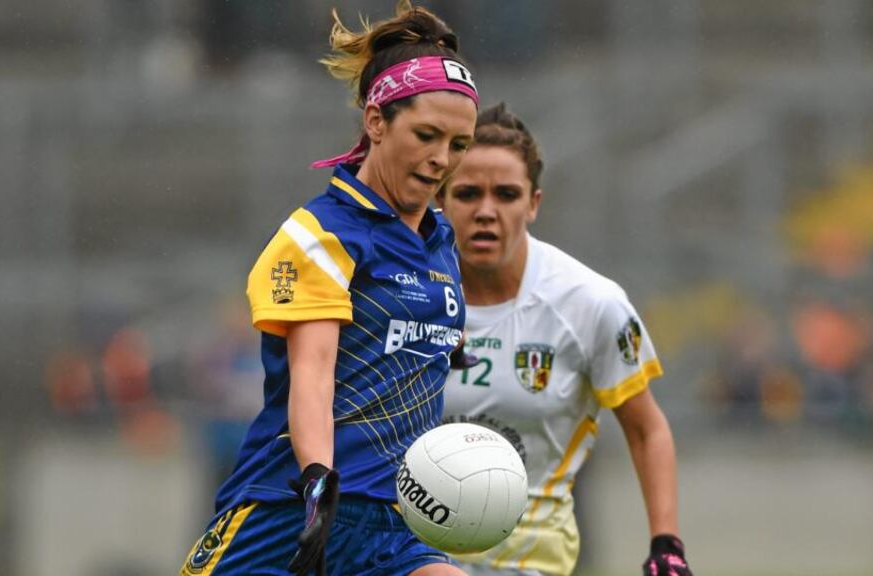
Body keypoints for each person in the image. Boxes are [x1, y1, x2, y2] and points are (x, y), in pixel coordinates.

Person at [180, 2, 478, 575]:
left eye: (458, 144)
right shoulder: (320, 236)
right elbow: (313, 372)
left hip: (394, 527)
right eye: (426, 135)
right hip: (289, 513)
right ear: (376, 122)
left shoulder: (441, 243)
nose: (442, 159)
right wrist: (319, 478)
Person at [436, 104, 693, 576]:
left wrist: (666, 543)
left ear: (533, 203)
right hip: (415, 558)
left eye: (506, 194)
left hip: (531, 561)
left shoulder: (590, 303)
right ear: (442, 200)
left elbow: (647, 429)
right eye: (468, 193)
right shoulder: (406, 297)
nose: (486, 211)